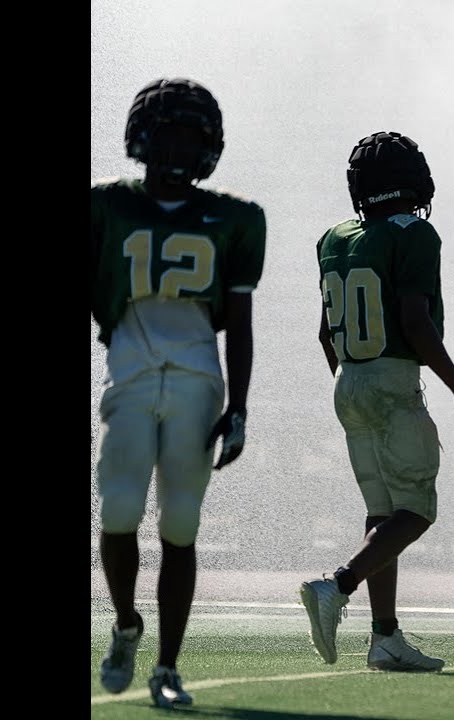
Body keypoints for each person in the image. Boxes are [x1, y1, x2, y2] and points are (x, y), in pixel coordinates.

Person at [92, 77, 266, 709]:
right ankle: (126, 622)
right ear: (142, 136)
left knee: (181, 526)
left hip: (198, 381)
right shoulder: (105, 206)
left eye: (191, 136)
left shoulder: (237, 217)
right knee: (116, 512)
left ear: (210, 145)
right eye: (169, 133)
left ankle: (167, 665)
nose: (179, 148)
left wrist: (240, 405)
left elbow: (240, 323)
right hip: (131, 377)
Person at [299, 131, 454, 673]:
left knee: (382, 514)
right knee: (416, 511)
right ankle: (337, 585)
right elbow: (414, 320)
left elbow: (323, 334)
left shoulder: (333, 237)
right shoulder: (416, 233)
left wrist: (355, 385)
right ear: (416, 181)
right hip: (391, 378)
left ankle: (385, 638)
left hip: (349, 379)